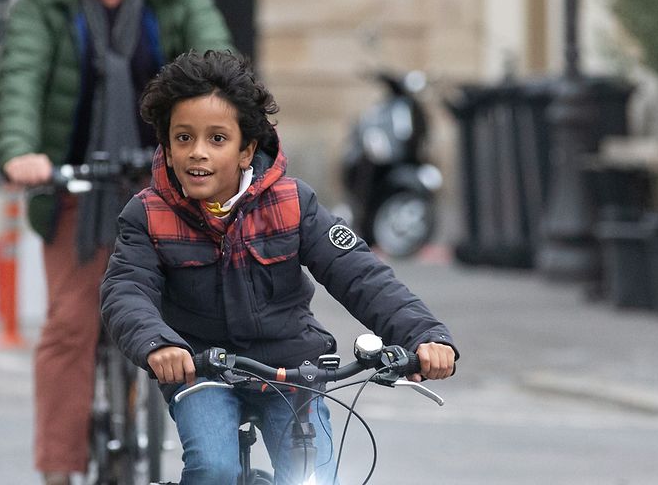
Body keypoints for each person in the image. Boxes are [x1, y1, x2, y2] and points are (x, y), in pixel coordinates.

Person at [100, 50, 459, 484]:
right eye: (183, 138)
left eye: (217, 139)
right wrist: (159, 345)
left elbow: (361, 275)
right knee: (214, 469)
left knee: (312, 478)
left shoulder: (293, 203)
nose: (198, 153)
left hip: (292, 372)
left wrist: (424, 335)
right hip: (201, 371)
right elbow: (126, 290)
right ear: (168, 149)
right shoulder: (147, 214)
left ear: (246, 150)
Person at [0, 0, 231, 481]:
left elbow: (219, 71)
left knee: (198, 318)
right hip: (75, 185)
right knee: (71, 326)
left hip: (170, 185)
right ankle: (59, 469)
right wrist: (21, 152)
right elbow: (21, 78)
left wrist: (235, 136)